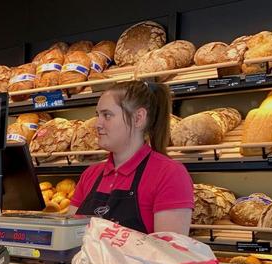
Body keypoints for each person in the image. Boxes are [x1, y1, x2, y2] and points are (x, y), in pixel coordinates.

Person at [68, 81, 194, 234]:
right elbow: (70, 237)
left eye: (107, 115)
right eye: (97, 115)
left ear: (138, 118)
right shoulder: (90, 175)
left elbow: (170, 253)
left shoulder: (169, 174)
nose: (97, 124)